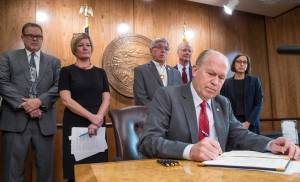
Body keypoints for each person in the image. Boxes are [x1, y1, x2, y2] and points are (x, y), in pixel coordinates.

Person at [139, 49, 300, 161]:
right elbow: (148, 141)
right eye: (210, 74)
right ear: (195, 70)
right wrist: (189, 150)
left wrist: (270, 143)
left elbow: (241, 134)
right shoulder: (167, 96)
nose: (215, 82)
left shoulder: (223, 103)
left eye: (221, 77)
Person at [0, 22, 61, 182]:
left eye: (38, 36)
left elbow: (58, 86)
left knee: (46, 173)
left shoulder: (54, 62)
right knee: (11, 173)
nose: (35, 38)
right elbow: (3, 83)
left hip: (44, 122)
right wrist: (27, 105)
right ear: (22, 37)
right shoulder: (7, 57)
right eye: (30, 35)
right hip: (15, 121)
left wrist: (39, 101)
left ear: (42, 38)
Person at [58, 33, 110, 181]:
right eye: (81, 45)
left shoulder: (101, 72)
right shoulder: (66, 71)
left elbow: (106, 98)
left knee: (98, 171)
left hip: (98, 125)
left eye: (88, 45)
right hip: (75, 124)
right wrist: (92, 117)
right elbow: (66, 100)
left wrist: (97, 119)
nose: (85, 47)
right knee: (75, 171)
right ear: (75, 50)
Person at [221, 54, 263, 134]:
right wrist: (233, 123)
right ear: (234, 64)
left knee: (253, 146)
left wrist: (248, 122)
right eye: (239, 61)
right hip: (232, 123)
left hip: (251, 123)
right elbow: (223, 104)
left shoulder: (255, 81)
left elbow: (258, 104)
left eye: (245, 62)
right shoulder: (226, 83)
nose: (242, 64)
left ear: (247, 65)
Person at [133, 38, 181, 105]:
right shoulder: (141, 70)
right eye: (159, 47)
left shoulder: (176, 73)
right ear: (151, 50)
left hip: (172, 113)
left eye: (166, 49)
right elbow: (140, 97)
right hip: (150, 113)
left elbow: (179, 95)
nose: (163, 51)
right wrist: (156, 110)